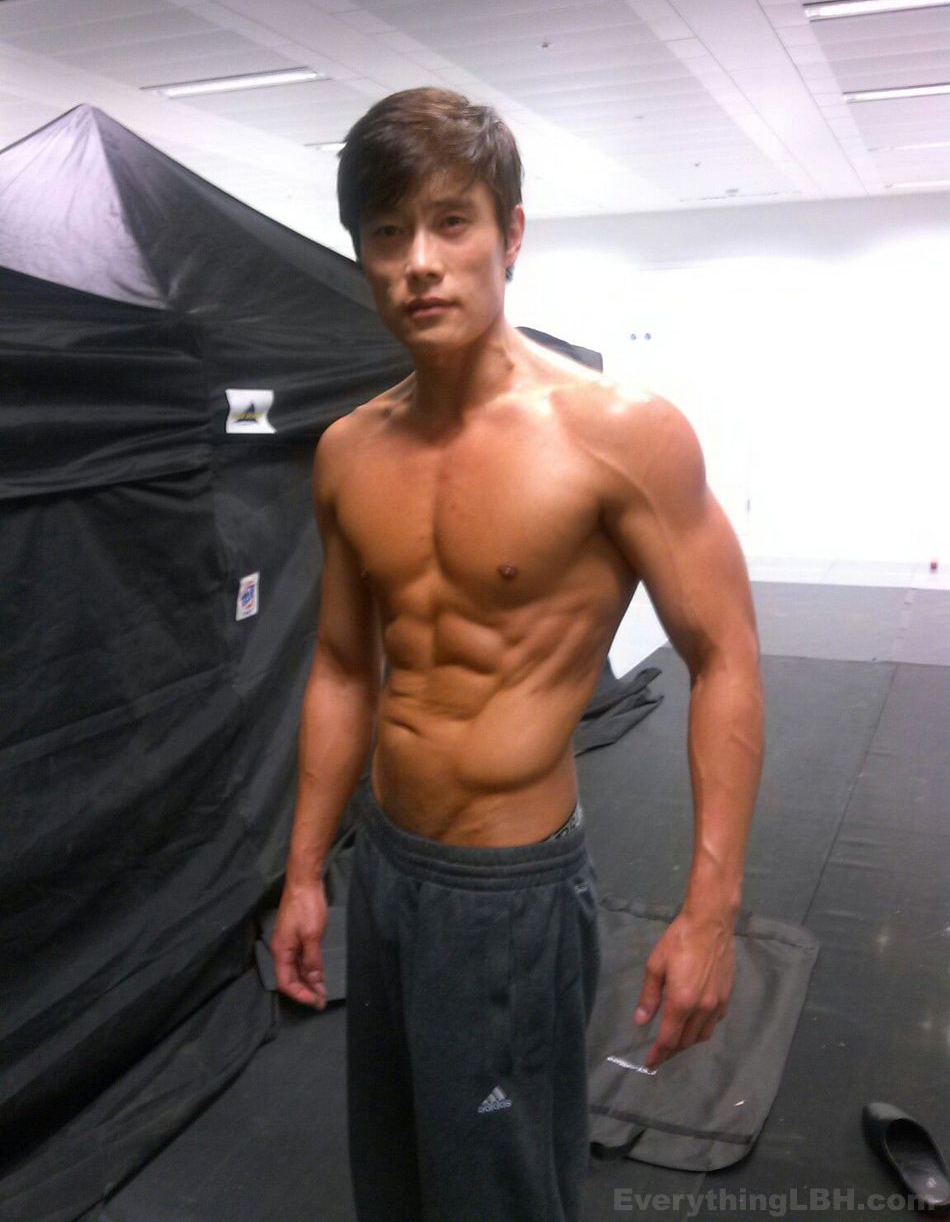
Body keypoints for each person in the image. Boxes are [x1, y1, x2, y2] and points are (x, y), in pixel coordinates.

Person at [270, 87, 765, 1222]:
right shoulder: (348, 451)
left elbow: (724, 653)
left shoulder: (619, 434)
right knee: (393, 1182)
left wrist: (709, 913)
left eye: (451, 222)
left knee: (499, 1195)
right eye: (386, 232)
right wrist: (304, 874)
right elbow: (342, 665)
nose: (419, 262)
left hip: (509, 894)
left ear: (511, 234)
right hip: (384, 871)